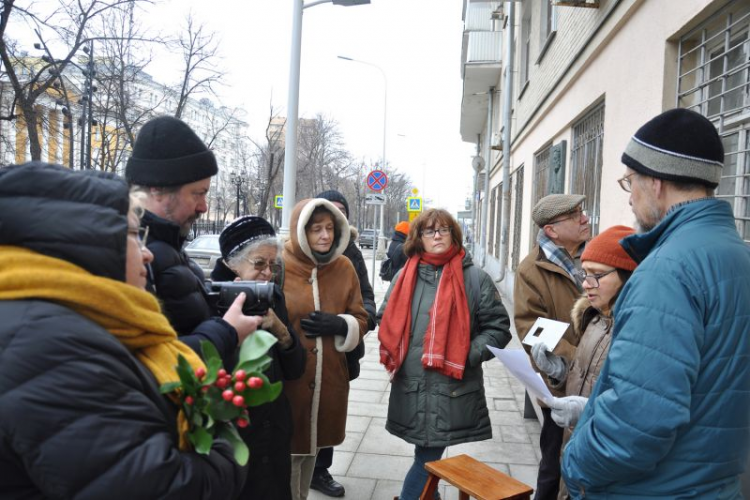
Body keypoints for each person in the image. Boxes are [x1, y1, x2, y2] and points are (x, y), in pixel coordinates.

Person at [0, 162, 246, 498]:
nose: (146, 254)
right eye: (133, 235)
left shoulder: (69, 322)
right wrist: (226, 441)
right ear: (87, 241)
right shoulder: (54, 349)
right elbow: (164, 488)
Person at [562, 108, 750, 498]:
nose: (630, 197)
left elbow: (637, 425)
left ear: (656, 182)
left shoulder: (666, 271)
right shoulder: (736, 255)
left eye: (630, 181)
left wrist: (575, 462)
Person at [377, 208, 512, 500]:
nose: (437, 235)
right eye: (429, 231)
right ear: (419, 238)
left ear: (454, 235)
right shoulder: (404, 276)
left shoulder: (475, 278)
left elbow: (499, 329)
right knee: (428, 456)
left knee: (427, 458)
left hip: (453, 386)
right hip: (411, 386)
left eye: (443, 230)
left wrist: (464, 354)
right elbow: (384, 317)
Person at [125, 115, 262, 367]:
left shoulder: (170, 245)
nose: (203, 206)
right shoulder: (129, 254)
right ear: (157, 188)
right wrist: (227, 331)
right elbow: (146, 361)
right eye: (197, 193)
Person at [530, 225, 636, 500]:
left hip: (604, 465)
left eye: (597, 276)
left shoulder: (636, 332)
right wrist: (560, 371)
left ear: (629, 276)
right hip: (577, 450)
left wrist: (591, 411)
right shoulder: (595, 319)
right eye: (585, 274)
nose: (586, 283)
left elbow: (639, 409)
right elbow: (586, 377)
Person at [211, 216, 307, 500]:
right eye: (259, 264)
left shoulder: (272, 297)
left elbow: (295, 368)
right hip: (235, 435)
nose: (267, 272)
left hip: (274, 431)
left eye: (272, 265)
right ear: (232, 264)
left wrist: (282, 332)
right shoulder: (209, 298)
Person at [281, 198, 369, 500]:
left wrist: (341, 325)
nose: (325, 236)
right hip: (290, 383)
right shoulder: (280, 264)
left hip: (329, 380)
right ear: (300, 231)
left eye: (330, 228)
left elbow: (362, 316)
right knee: (288, 457)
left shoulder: (344, 267)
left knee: (311, 453)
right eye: (316, 229)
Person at [513, 193, 591, 500]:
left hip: (601, 381)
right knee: (552, 467)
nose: (584, 218)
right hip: (561, 388)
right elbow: (531, 328)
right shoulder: (531, 269)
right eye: (575, 216)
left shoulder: (598, 255)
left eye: (582, 212)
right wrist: (580, 360)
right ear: (552, 230)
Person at [311, 189, 377, 498]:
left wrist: (348, 323)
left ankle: (320, 470)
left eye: (340, 213)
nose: (334, 220)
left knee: (330, 410)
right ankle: (300, 465)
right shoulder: (296, 251)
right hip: (305, 352)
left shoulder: (351, 253)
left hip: (341, 353)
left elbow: (367, 300)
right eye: (328, 212)